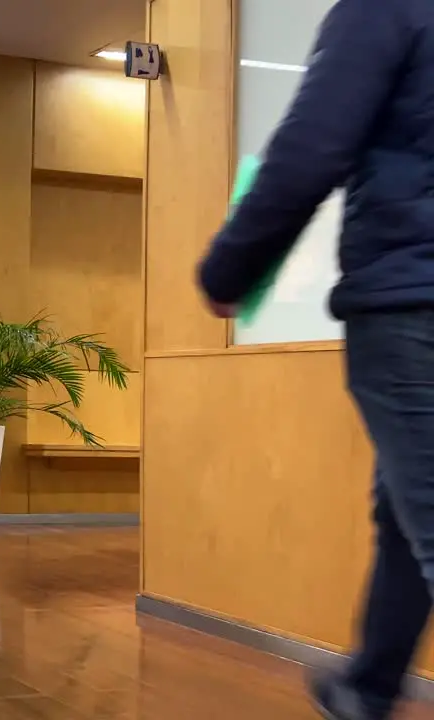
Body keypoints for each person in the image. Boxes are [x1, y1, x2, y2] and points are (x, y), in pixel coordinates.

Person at [197, 2, 434, 717]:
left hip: (411, 304)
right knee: (405, 508)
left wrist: (227, 271)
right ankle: (367, 690)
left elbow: (311, 148)